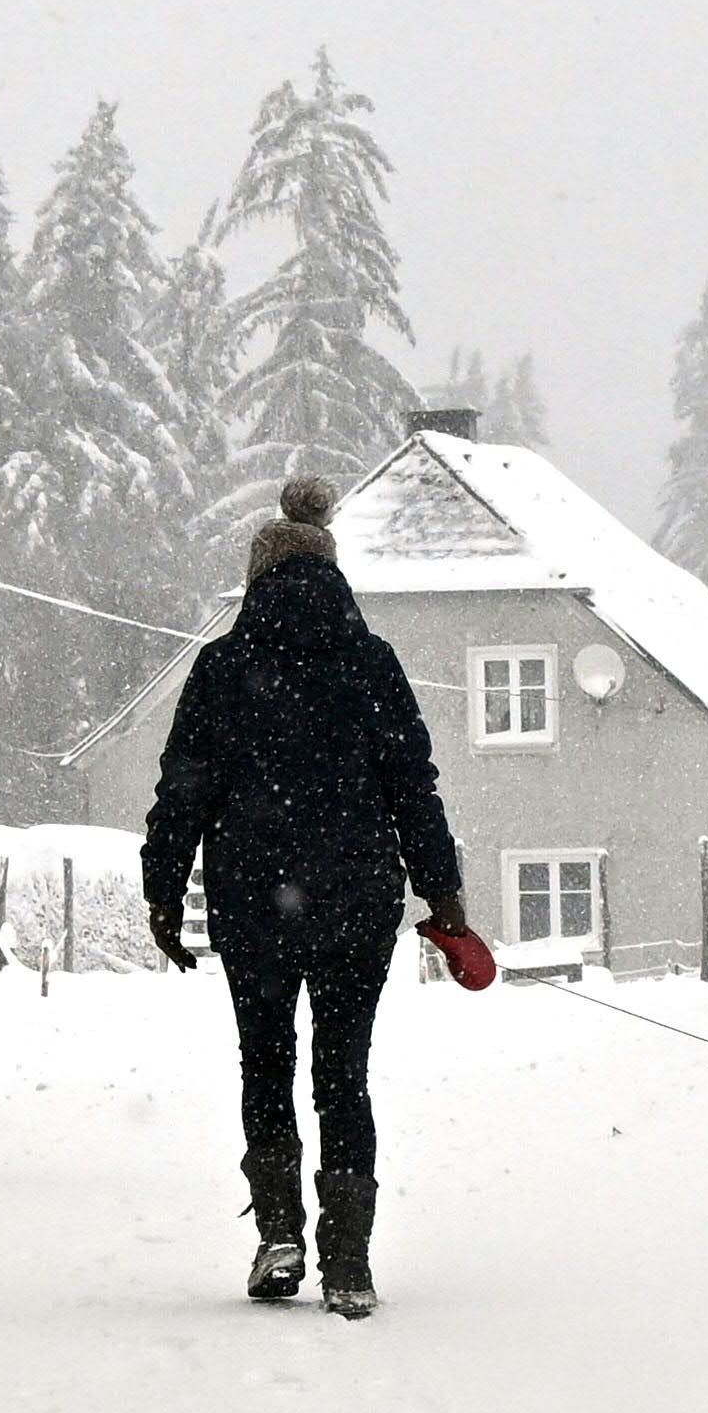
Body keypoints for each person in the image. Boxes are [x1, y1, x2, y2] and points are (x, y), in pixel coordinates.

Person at [141, 477, 467, 1318]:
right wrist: (443, 896)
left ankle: (279, 1235)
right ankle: (348, 1260)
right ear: (333, 573)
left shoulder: (223, 666)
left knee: (265, 1063)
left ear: (256, 578)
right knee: (342, 1074)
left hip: (252, 899)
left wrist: (163, 893)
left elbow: (182, 791)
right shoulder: (371, 662)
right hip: (357, 897)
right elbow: (413, 786)